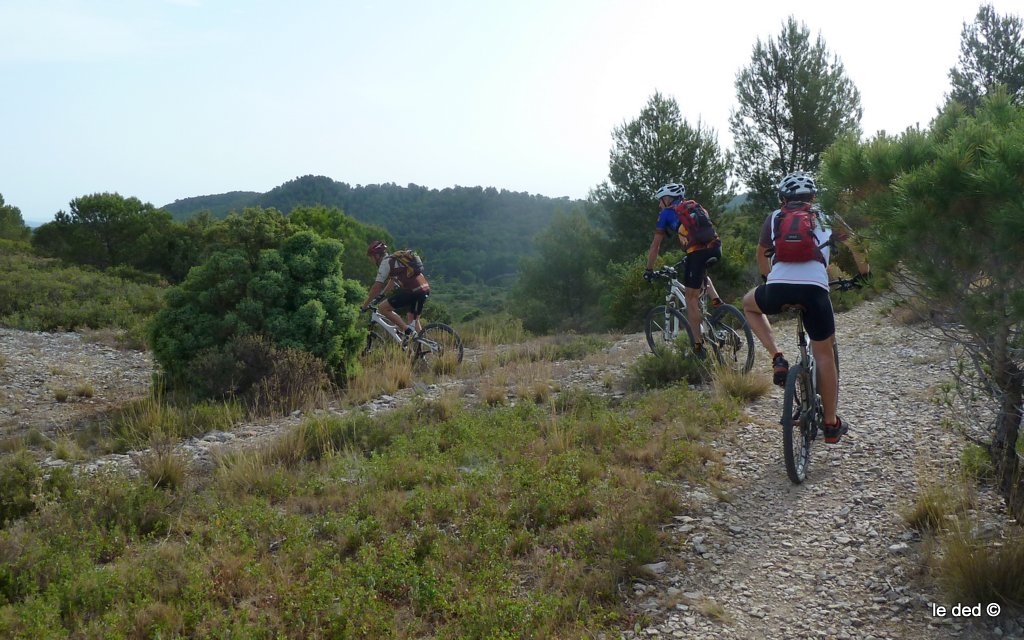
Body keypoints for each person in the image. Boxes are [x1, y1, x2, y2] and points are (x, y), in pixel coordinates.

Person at [741, 171, 870, 444]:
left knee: (749, 305)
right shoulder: (825, 216)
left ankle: (777, 357)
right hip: (815, 291)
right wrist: (865, 275)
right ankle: (831, 424)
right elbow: (856, 245)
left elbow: (761, 254)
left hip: (778, 288)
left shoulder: (775, 217)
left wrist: (770, 282)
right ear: (813, 196)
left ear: (783, 198)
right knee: (824, 355)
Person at [644, 182, 724, 357]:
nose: (659, 205)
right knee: (701, 275)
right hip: (716, 248)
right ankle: (718, 304)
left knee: (690, 298)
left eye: (660, 200)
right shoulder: (696, 206)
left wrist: (649, 269)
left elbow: (655, 246)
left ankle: (697, 346)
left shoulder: (666, 213)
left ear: (667, 199)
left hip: (697, 253)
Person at [361, 240, 431, 343]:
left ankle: (407, 331)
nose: (371, 260)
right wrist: (382, 295)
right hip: (424, 288)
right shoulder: (395, 260)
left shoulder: (385, 263)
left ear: (376, 255)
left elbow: (376, 286)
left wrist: (365, 305)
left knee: (383, 308)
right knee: (413, 319)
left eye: (371, 257)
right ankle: (424, 348)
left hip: (413, 291)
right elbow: (393, 281)